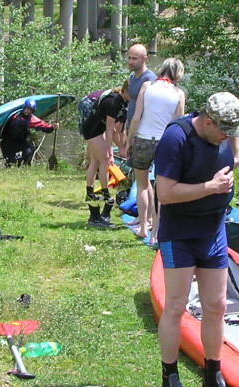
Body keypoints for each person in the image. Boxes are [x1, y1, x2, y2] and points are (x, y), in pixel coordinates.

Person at [155, 91, 239, 387]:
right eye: (224, 131)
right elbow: (165, 193)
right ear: (207, 122)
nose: (228, 137)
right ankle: (169, 376)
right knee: (176, 305)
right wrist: (212, 187)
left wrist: (231, 160)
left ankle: (212, 374)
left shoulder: (226, 132)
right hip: (180, 233)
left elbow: (234, 156)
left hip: (213, 231)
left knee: (217, 305)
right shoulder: (176, 138)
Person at [126, 58, 186, 245]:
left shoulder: (147, 86)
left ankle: (143, 226)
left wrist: (128, 140)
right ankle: (156, 233)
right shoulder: (179, 94)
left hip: (143, 139)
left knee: (142, 185)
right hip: (165, 142)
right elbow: (179, 122)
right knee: (161, 189)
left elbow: (136, 117)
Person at [78, 85, 129, 228]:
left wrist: (123, 147)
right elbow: (110, 130)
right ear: (126, 90)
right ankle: (106, 194)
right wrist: (112, 153)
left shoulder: (123, 103)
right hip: (92, 130)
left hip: (95, 129)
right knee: (105, 161)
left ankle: (90, 192)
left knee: (95, 161)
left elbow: (119, 131)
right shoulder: (114, 102)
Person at [0, 98, 58, 167]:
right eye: (27, 109)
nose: (28, 111)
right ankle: (10, 164)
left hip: (21, 143)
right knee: (11, 160)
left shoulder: (32, 119)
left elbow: (44, 126)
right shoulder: (14, 115)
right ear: (24, 107)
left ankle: (25, 166)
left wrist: (52, 127)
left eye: (31, 110)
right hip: (8, 143)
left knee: (30, 150)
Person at [125, 43, 157, 136]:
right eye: (129, 58)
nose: (130, 62)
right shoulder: (132, 77)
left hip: (142, 131)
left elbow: (153, 108)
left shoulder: (150, 79)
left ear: (145, 59)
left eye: (134, 59)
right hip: (131, 127)